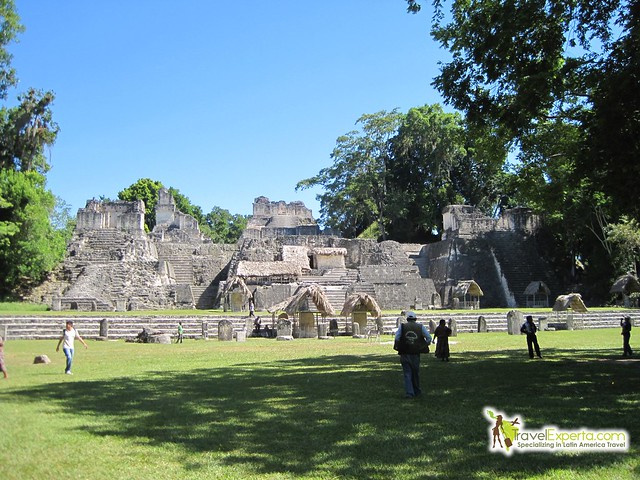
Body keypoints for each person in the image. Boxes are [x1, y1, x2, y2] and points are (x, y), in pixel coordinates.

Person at [394, 311, 432, 398]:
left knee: (407, 373)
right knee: (415, 372)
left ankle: (409, 393)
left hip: (405, 352)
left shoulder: (402, 327)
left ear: (407, 319)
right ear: (415, 319)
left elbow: (397, 337)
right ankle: (417, 390)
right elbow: (429, 338)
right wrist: (422, 345)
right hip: (415, 353)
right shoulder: (420, 327)